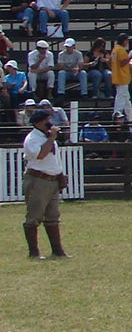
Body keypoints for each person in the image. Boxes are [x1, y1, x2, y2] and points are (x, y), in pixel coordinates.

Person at [21, 109, 70, 259]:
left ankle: (57, 250)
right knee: (34, 216)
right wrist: (51, 138)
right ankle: (33, 252)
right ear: (37, 123)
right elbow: (41, 155)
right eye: (46, 120)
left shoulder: (48, 137)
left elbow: (54, 159)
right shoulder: (32, 139)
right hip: (38, 180)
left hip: (52, 180)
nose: (49, 123)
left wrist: (60, 174)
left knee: (53, 216)